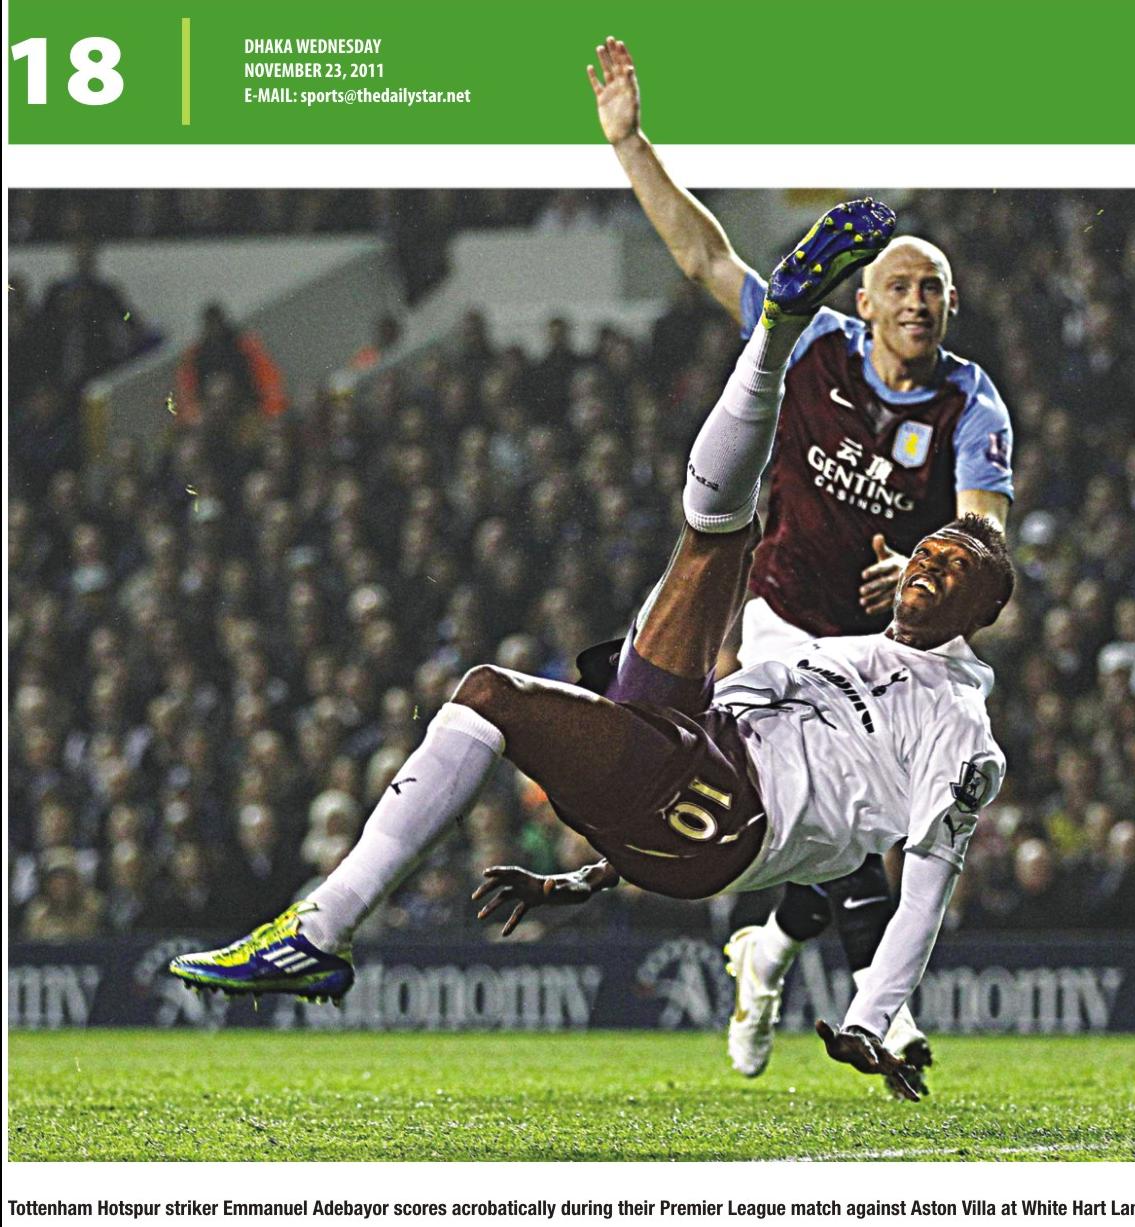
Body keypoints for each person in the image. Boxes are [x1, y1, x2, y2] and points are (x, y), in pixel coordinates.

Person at [169, 201, 1012, 1101]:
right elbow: (702, 258)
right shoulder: (850, 653)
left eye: (948, 566)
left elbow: (926, 885)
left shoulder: (961, 730)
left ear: (981, 607)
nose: (925, 563)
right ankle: (774, 327)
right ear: (866, 303)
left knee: (490, 694)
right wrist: (589, 874)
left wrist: (872, 1016)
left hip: (725, 813)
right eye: (927, 551)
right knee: (717, 536)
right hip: (703, 738)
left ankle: (320, 928)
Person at [588, 36, 1015, 1089]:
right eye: (899, 285)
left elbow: (985, 530)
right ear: (863, 301)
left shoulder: (971, 403)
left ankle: (773, 954)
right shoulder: (812, 346)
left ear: (950, 308)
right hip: (783, 617)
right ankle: (873, 1013)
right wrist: (631, 144)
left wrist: (928, 561)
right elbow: (705, 260)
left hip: (895, 639)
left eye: (934, 290)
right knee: (828, 831)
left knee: (855, 835)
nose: (916, 301)